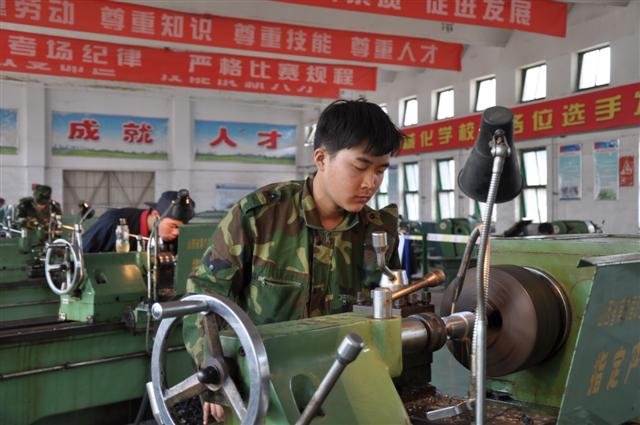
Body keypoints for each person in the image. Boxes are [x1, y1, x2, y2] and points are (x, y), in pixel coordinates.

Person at [183, 98, 405, 424]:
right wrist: (214, 372)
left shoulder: (377, 232)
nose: (371, 182)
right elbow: (204, 297)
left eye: (381, 170)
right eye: (360, 167)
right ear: (321, 159)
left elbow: (389, 309)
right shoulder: (259, 217)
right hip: (262, 391)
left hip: (347, 386)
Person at [82, 190, 195, 253]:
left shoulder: (173, 238)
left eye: (181, 228)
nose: (177, 232)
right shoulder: (112, 223)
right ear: (156, 215)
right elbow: (80, 254)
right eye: (173, 226)